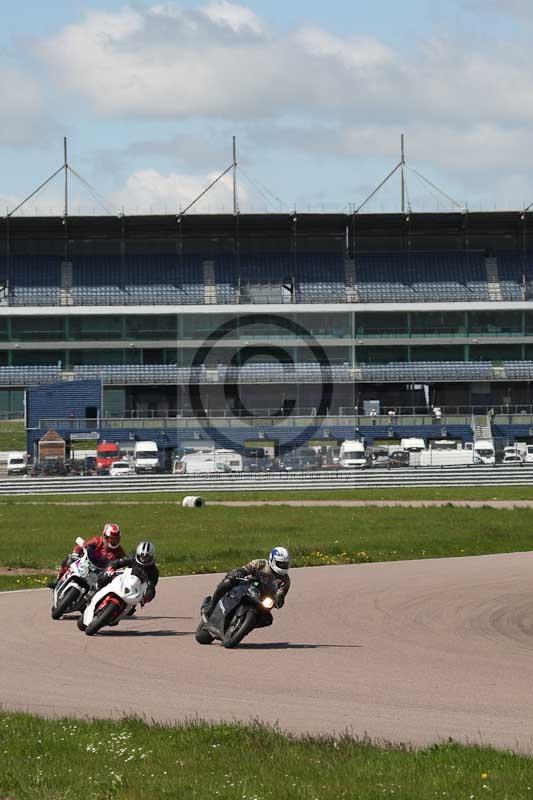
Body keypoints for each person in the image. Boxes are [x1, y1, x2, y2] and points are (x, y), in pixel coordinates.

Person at [201, 546, 291, 625]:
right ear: (272, 560)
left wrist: (278, 600)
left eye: (285, 564)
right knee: (227, 582)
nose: (283, 566)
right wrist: (238, 573)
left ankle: (243, 625)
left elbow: (280, 596)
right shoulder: (260, 564)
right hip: (248, 587)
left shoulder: (285, 581)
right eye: (281, 564)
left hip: (262, 599)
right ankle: (211, 606)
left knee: (267, 619)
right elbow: (245, 569)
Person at [49, 523, 125, 588]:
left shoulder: (120, 552)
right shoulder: (97, 541)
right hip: (86, 565)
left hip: (101, 574)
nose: (114, 541)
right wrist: (76, 553)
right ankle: (58, 580)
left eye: (116, 539)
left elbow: (122, 565)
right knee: (69, 560)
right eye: (112, 539)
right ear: (105, 537)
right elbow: (83, 546)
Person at [97, 540, 159, 607]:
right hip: (123, 579)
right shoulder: (132, 559)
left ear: (151, 556)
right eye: (142, 556)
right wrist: (112, 567)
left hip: (135, 589)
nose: (144, 559)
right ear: (138, 554)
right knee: (106, 576)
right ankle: (96, 588)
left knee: (131, 610)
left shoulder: (154, 571)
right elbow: (118, 562)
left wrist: (147, 596)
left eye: (147, 557)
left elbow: (151, 586)